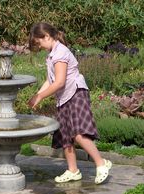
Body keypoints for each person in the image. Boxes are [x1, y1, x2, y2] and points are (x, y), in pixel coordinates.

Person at [28, 22, 112, 184]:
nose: (40, 47)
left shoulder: (61, 53)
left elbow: (59, 82)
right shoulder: (52, 54)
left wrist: (40, 97)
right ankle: (73, 170)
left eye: (39, 43)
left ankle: (101, 164)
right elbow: (50, 80)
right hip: (64, 98)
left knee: (79, 134)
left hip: (76, 93)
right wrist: (37, 95)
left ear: (46, 36)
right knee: (66, 136)